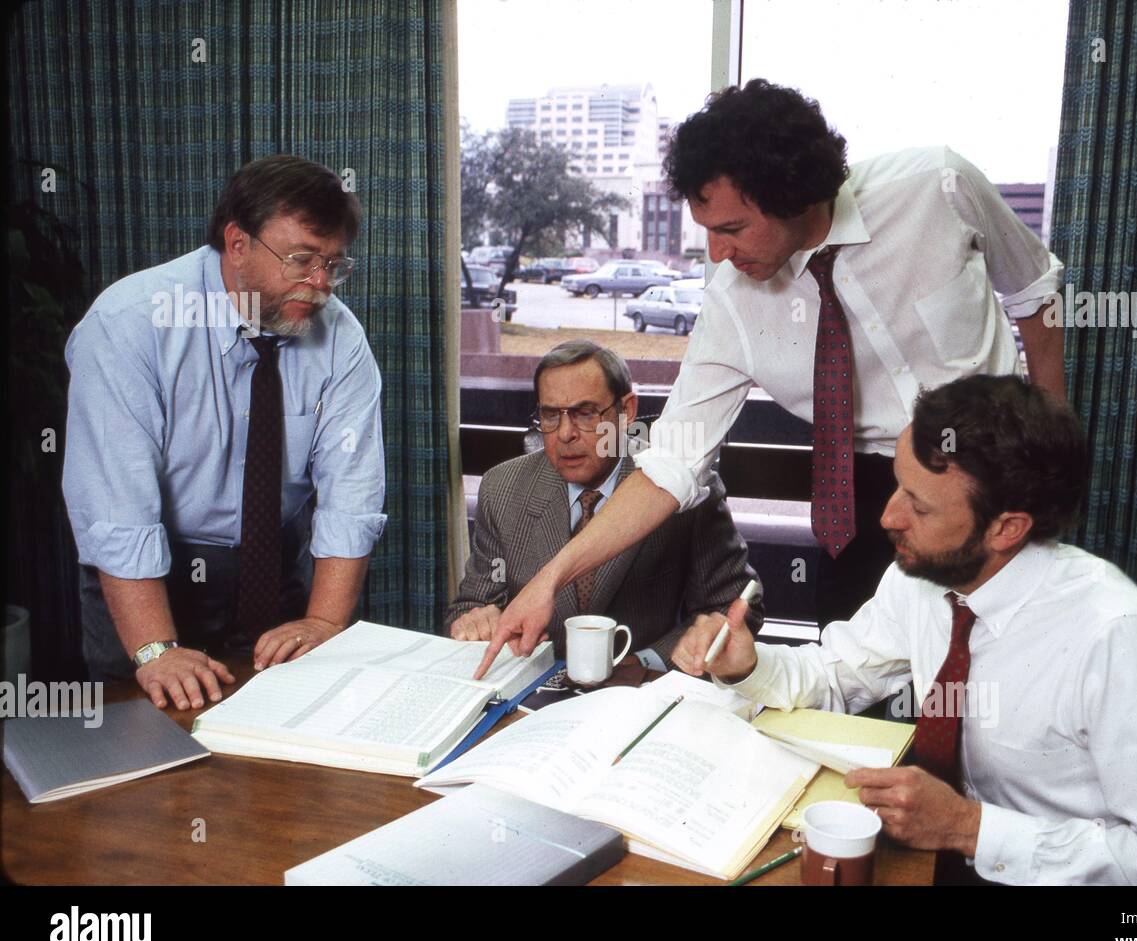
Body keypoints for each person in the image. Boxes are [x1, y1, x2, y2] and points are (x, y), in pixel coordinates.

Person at [476, 79, 1064, 678]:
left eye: (731, 229)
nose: (716, 253)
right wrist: (550, 578)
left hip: (988, 476)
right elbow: (670, 464)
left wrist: (1047, 458)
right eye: (706, 229)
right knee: (865, 682)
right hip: (854, 493)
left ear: (795, 196)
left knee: (1013, 667)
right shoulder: (731, 305)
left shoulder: (937, 187)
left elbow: (1035, 294)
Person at [671, 375, 1137, 884]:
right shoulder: (920, 578)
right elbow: (833, 677)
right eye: (897, 486)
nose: (888, 517)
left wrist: (969, 829)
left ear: (1007, 528)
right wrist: (748, 663)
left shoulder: (1118, 638)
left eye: (919, 505)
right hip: (937, 865)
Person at [63, 155, 386, 711]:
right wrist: (155, 650)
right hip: (148, 579)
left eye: (334, 265)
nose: (320, 286)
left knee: (287, 748)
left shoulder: (341, 338)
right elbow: (118, 510)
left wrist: (323, 622)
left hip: (278, 570)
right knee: (149, 759)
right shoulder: (129, 325)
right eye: (302, 260)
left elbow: (350, 499)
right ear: (237, 244)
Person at [449, 340, 761, 670]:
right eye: (551, 415)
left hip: (644, 689)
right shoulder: (502, 488)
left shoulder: (685, 489)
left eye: (585, 414)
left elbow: (739, 608)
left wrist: (650, 661)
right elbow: (471, 605)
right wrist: (476, 621)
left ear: (626, 412)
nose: (565, 434)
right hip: (533, 687)